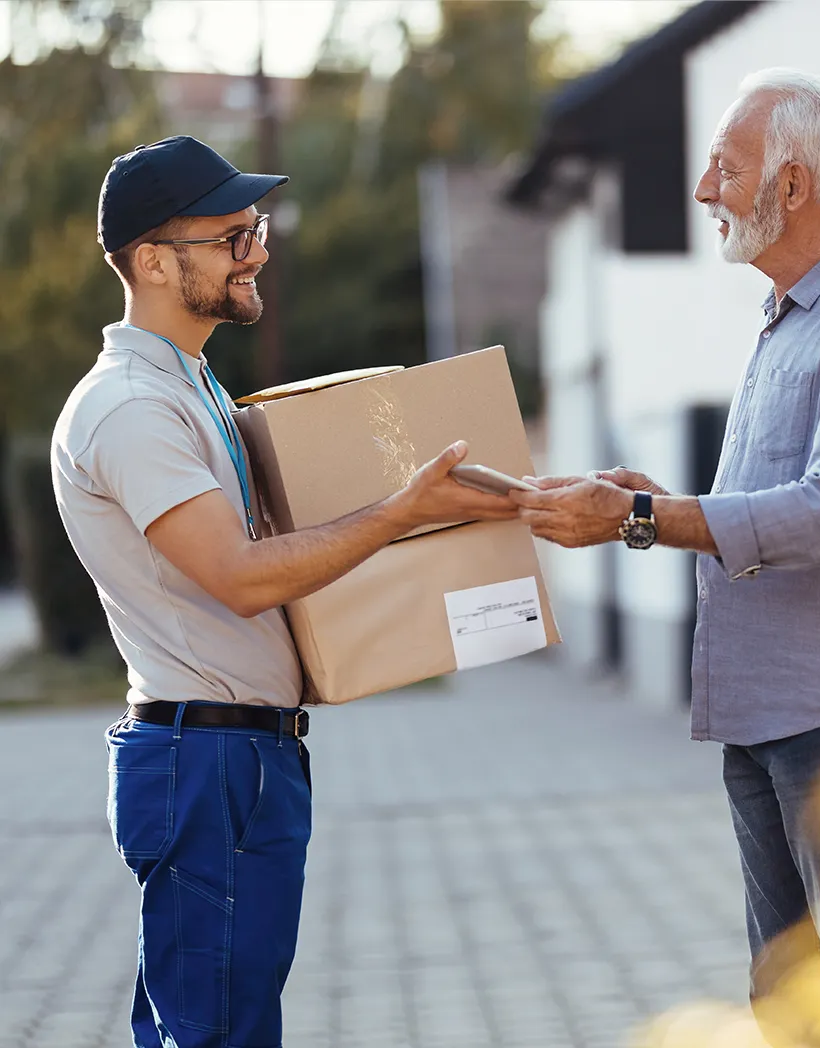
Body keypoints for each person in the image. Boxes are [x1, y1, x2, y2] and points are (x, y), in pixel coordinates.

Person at [512, 69, 820, 1046]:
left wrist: (639, 516)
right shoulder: (788, 318)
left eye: (725, 167)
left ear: (790, 186)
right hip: (763, 706)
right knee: (786, 997)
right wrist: (652, 508)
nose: (705, 189)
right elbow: (760, 512)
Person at [52, 135, 516, 1048]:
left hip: (244, 759)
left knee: (231, 1025)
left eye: (255, 227)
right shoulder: (132, 409)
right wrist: (399, 512)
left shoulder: (198, 392)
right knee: (213, 1035)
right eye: (232, 236)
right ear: (152, 259)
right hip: (203, 763)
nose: (257, 248)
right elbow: (239, 575)